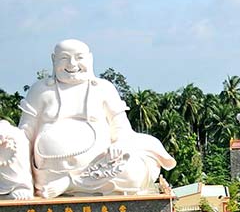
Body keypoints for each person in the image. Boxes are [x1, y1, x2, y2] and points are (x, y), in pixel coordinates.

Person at [18, 39, 176, 198]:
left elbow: (121, 127)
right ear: (54, 60)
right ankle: (66, 183)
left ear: (90, 59)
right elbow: (24, 133)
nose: (72, 64)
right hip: (48, 173)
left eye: (79, 58)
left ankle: (71, 183)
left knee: (134, 173)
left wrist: (119, 144)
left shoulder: (103, 88)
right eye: (64, 58)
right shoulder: (40, 90)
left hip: (101, 168)